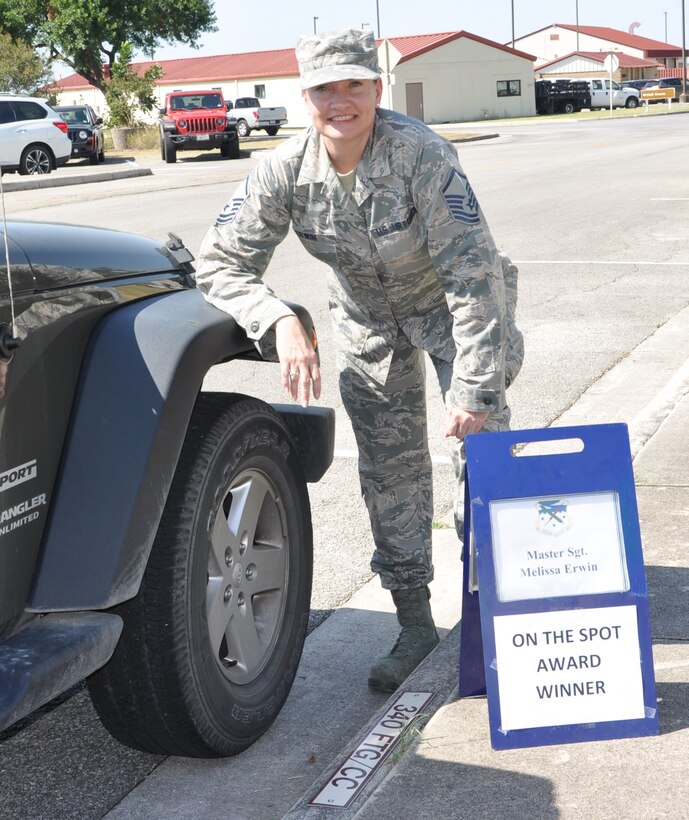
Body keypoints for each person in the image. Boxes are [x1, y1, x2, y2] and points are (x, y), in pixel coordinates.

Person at [195, 29, 523, 693]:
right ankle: (413, 624)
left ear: (377, 88)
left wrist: (474, 387)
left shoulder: (420, 155)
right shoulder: (284, 170)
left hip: (450, 310)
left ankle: (500, 618)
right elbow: (218, 261)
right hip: (366, 322)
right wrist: (279, 318)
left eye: (354, 84)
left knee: (482, 458)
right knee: (389, 472)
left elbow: (472, 272)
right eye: (324, 89)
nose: (340, 101)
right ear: (304, 97)